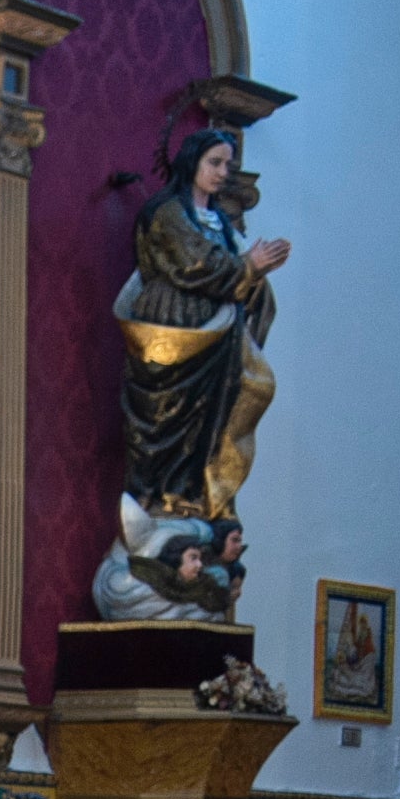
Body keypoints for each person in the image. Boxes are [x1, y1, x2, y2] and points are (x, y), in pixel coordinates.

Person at [117, 126, 291, 525]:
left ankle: (196, 495)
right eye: (214, 162)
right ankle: (160, 496)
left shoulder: (219, 221)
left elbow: (232, 275)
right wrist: (249, 266)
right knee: (169, 414)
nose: (222, 172)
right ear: (191, 161)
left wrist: (256, 274)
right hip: (174, 327)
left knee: (217, 411)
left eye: (228, 165)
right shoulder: (166, 213)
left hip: (218, 337)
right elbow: (195, 264)